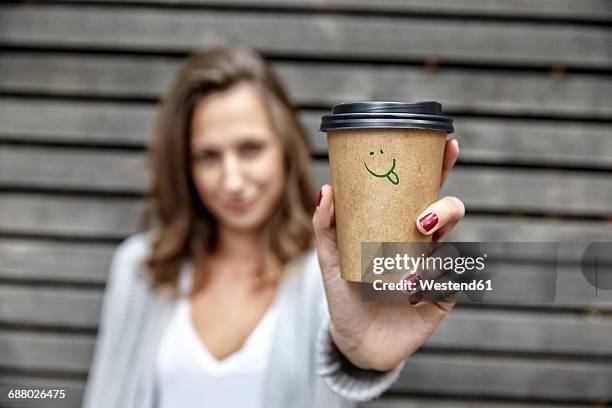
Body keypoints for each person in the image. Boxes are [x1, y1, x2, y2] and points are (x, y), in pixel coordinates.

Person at [82, 47, 465, 408]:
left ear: (286, 148)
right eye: (208, 156)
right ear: (185, 166)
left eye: (250, 148)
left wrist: (358, 360)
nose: (232, 181)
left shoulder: (335, 275)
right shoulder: (139, 269)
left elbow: (350, 366)